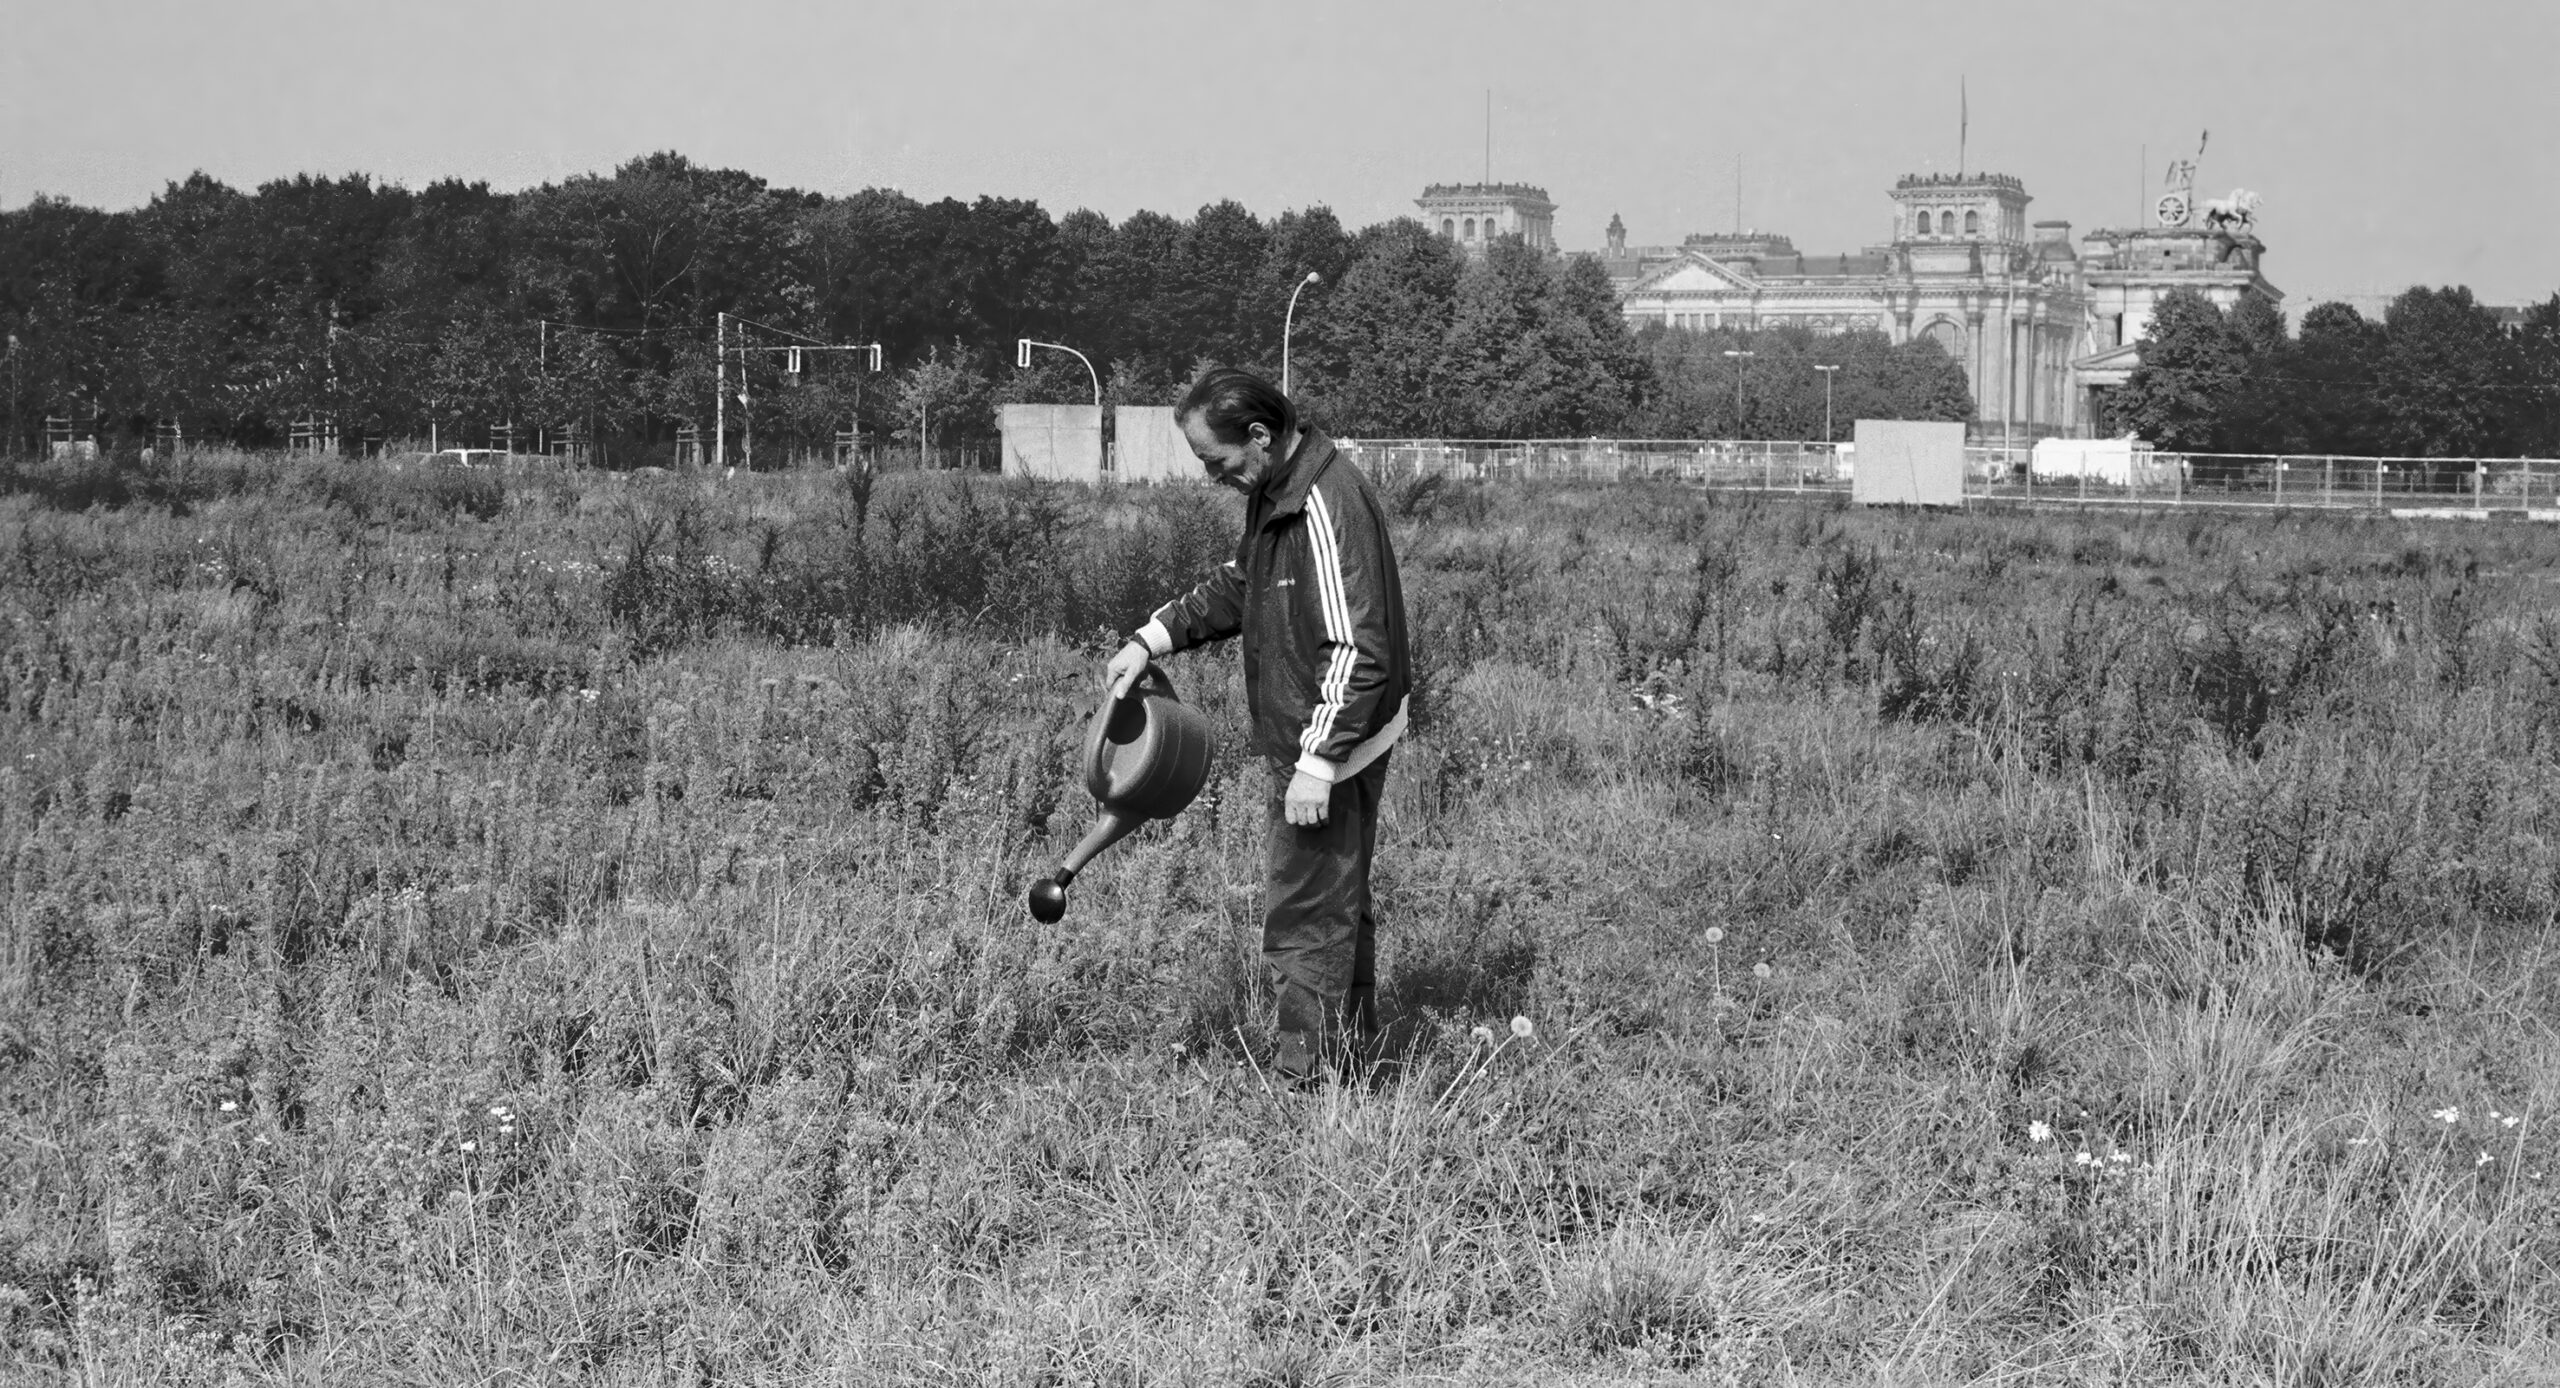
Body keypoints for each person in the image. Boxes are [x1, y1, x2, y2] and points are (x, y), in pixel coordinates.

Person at [1104, 367, 1411, 1084]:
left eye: (1218, 461)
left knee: (1304, 911)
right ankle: (1351, 1053)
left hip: (1328, 742)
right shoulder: (1279, 491)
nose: (1214, 476)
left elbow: (1359, 649)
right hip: (1325, 736)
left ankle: (1307, 1079)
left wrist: (1318, 760)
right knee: (1335, 898)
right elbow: (1247, 582)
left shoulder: (1321, 505)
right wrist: (1152, 638)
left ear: (1261, 436)